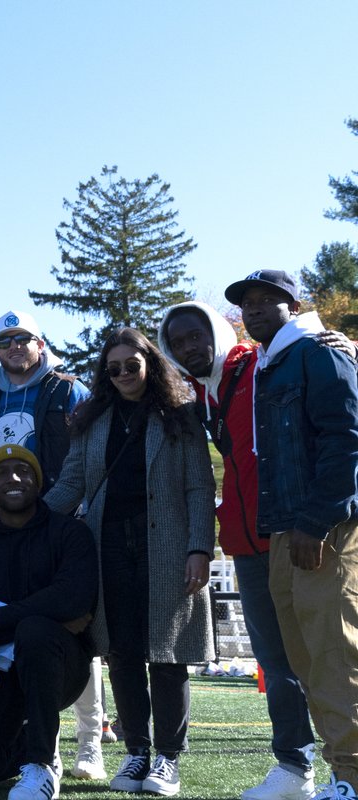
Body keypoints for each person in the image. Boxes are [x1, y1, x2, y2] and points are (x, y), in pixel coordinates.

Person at [159, 299, 331, 800]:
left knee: (330, 657)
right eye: (178, 342)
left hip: (297, 533)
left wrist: (342, 342)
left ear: (218, 331)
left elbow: (326, 366)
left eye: (197, 335)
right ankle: (295, 767)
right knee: (277, 665)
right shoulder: (194, 394)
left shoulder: (261, 362)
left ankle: (346, 765)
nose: (190, 346)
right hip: (245, 543)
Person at [46, 327, 216, 797]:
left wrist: (200, 547)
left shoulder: (180, 416)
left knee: (167, 655)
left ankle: (167, 759)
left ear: (150, 365)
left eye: (132, 366)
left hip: (169, 549)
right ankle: (136, 751)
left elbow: (200, 486)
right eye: (113, 368)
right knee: (121, 654)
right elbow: (73, 484)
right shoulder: (93, 418)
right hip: (109, 550)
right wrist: (24, 515)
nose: (122, 375)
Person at [225, 269, 358, 800]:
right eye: (247, 302)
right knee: (305, 659)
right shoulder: (268, 361)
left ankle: (352, 776)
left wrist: (315, 521)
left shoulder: (319, 351)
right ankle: (342, 774)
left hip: (323, 527)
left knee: (334, 655)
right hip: (284, 528)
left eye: (267, 299)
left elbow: (347, 438)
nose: (254, 308)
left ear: (293, 304)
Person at [0, 309, 106, 777]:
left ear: (40, 341)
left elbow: (91, 452)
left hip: (65, 526)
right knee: (27, 638)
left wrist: (70, 512)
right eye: (4, 341)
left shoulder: (67, 389)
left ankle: (90, 742)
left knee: (78, 629)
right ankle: (33, 743)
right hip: (10, 530)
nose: (14, 347)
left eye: (23, 338)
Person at [0, 445, 98, 800]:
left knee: (36, 633)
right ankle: (27, 743)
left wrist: (0, 616)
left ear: (39, 482)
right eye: (2, 472)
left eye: (23, 471)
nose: (13, 478)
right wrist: (48, 613)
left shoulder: (70, 533)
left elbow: (74, 598)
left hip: (59, 668)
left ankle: (41, 764)